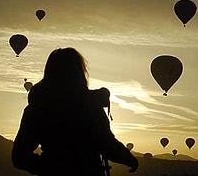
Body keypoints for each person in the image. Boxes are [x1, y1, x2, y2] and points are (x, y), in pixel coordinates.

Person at [12, 47, 139, 176]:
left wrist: (50, 166)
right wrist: (128, 159)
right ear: (79, 72)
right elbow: (105, 142)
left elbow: (19, 157)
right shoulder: (90, 105)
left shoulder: (37, 109)